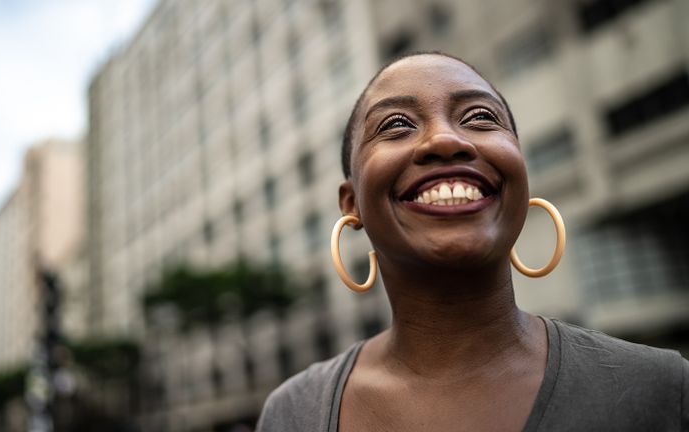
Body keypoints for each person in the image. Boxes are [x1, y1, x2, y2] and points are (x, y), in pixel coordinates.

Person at [256, 52, 689, 432]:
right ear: (351, 204)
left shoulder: (664, 390)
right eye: (396, 124)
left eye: (480, 117)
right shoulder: (294, 413)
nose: (446, 140)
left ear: (520, 173)